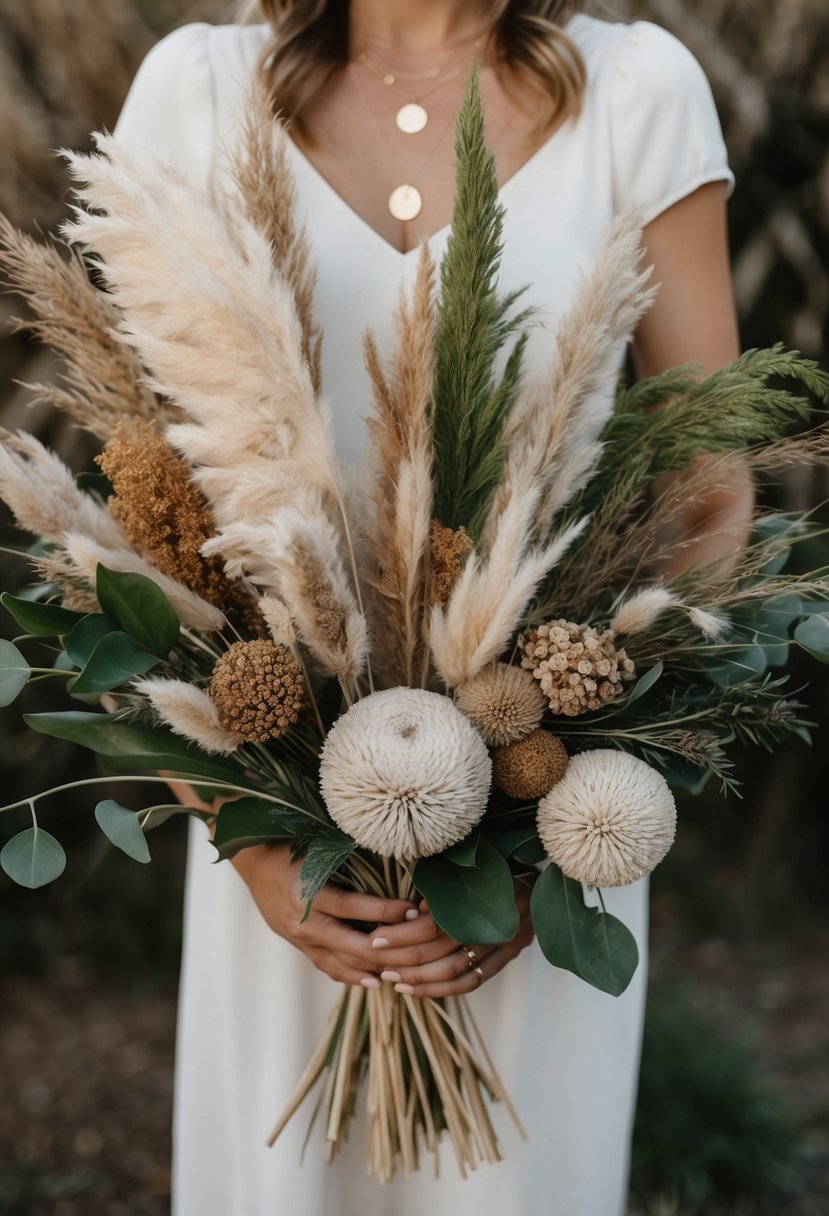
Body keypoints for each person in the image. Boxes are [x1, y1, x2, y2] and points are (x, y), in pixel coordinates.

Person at [111, 2, 754, 1212]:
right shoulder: (196, 89)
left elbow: (707, 488)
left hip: (547, 810)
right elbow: (144, 506)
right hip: (276, 833)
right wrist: (246, 831)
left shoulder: (636, 90)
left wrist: (550, 824)